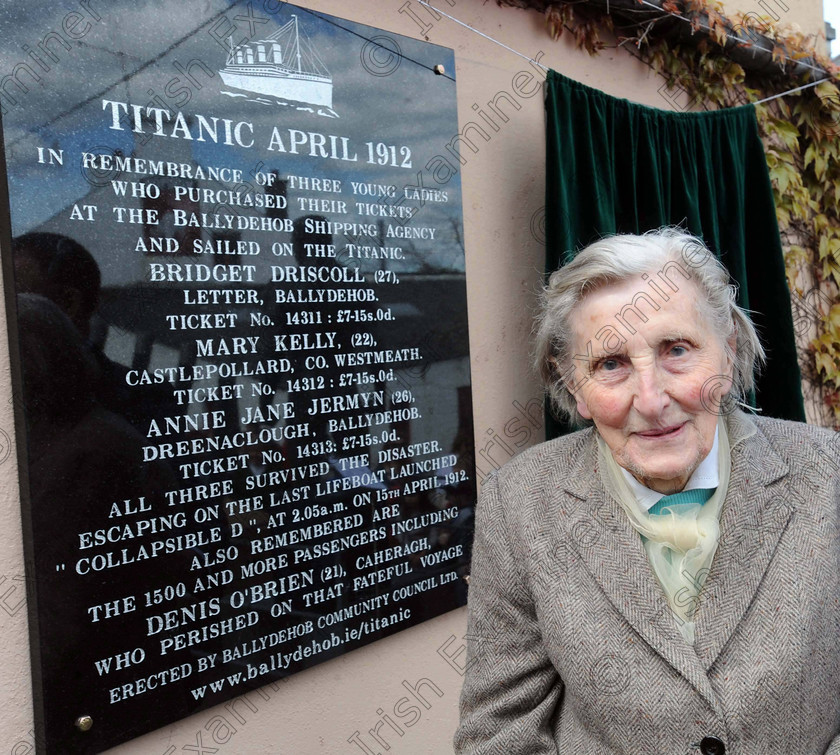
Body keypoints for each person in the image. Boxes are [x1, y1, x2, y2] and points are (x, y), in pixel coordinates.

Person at [454, 228, 840, 755]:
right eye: (610, 364)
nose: (652, 400)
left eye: (677, 350)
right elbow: (499, 731)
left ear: (726, 355)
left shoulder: (828, 473)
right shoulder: (519, 503)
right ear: (574, 389)